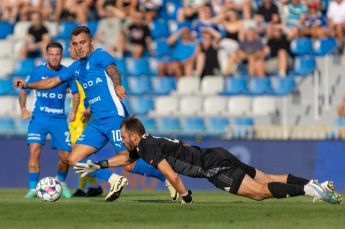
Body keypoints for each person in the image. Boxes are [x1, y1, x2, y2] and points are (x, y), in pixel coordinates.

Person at [14, 26, 178, 202]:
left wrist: (117, 85)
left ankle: (166, 178)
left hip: (114, 117)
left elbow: (113, 70)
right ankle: (114, 179)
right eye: (75, 44)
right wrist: (28, 85)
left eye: (83, 42)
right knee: (73, 158)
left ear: (91, 42)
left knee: (129, 163)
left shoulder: (99, 55)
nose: (79, 47)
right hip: (96, 123)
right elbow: (53, 81)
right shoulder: (76, 67)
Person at [74, 116, 343, 204]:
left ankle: (310, 189)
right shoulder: (146, 143)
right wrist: (100, 165)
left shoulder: (148, 149)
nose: (120, 139)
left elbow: (172, 175)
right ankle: (316, 183)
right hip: (216, 153)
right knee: (267, 177)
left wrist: (186, 196)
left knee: (260, 193)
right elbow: (124, 158)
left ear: (133, 136)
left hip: (212, 168)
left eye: (123, 136)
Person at [19, 41, 78, 199]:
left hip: (59, 119)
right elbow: (24, 90)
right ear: (46, 55)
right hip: (39, 118)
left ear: (61, 55)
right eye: (51, 54)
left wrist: (73, 111)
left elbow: (76, 94)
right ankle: (32, 189)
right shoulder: (38, 71)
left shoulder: (67, 73)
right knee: (34, 150)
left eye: (57, 54)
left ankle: (61, 182)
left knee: (66, 157)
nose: (54, 57)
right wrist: (23, 108)